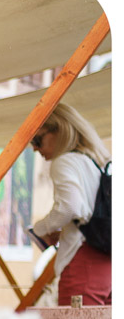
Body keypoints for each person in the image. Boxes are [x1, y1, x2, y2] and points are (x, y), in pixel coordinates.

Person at [31, 102, 111, 305]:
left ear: (60, 130)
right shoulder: (93, 161)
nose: (34, 148)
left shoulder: (64, 161)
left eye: (37, 139)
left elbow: (70, 207)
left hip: (82, 262)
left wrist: (40, 228)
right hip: (106, 261)